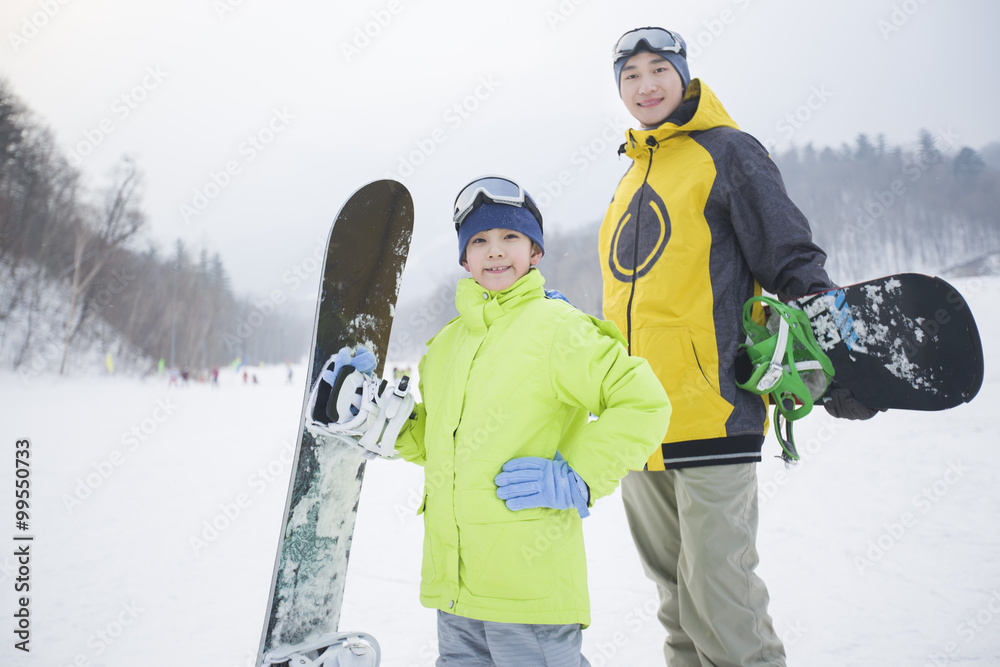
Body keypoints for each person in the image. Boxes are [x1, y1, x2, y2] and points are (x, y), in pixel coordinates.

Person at [600, 27, 876, 666]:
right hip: (637, 424)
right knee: (676, 608)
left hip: (711, 410)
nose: (645, 85)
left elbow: (789, 254)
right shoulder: (629, 177)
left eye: (657, 69)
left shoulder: (729, 153)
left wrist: (838, 360)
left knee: (722, 602)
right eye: (630, 75)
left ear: (684, 75)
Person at [388, 176, 672, 665]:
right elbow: (437, 443)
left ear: (535, 252)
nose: (494, 252)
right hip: (456, 589)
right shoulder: (447, 344)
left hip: (529, 590)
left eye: (510, 238)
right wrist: (387, 424)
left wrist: (576, 475)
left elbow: (644, 403)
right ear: (463, 258)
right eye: (479, 241)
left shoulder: (557, 328)